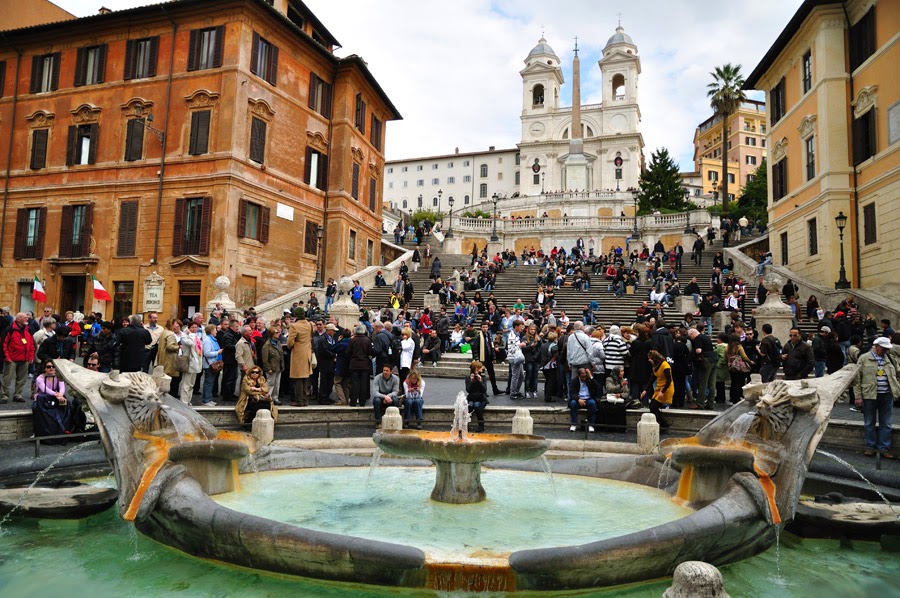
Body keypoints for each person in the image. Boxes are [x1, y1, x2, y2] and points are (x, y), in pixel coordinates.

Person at [853, 337, 897, 459]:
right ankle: (870, 447)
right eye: (884, 348)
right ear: (876, 346)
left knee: (886, 423)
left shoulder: (890, 358)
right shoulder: (864, 358)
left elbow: (897, 374)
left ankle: (884, 448)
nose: (886, 351)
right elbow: (857, 379)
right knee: (869, 422)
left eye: (887, 349)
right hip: (869, 395)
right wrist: (858, 397)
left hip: (886, 395)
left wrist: (896, 389)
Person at [31, 361, 85, 442]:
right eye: (48, 367)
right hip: (42, 400)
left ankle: (66, 428)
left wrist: (60, 395)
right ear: (45, 369)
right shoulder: (40, 378)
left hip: (56, 400)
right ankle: (36, 431)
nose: (51, 368)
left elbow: (62, 388)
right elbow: (45, 390)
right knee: (35, 408)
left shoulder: (58, 377)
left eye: (53, 366)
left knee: (67, 405)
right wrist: (58, 395)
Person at [1, 313, 36, 403]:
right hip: (11, 358)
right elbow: (3, 344)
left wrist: (31, 356)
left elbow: (32, 344)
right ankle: (4, 396)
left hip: (25, 359)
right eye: (25, 318)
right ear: (18, 319)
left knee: (22, 379)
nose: (27, 319)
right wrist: (6, 357)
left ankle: (17, 395)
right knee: (7, 378)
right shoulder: (10, 329)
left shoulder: (28, 330)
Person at [287, 307, 315, 406]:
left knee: (298, 378)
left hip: (298, 353)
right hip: (307, 352)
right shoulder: (309, 325)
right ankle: (305, 399)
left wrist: (291, 345)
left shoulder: (294, 326)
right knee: (305, 378)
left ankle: (299, 401)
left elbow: (290, 342)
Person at [641, 351, 672, 430]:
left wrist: (662, 392)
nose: (649, 360)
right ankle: (662, 424)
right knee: (653, 406)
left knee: (653, 405)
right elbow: (652, 378)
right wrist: (645, 390)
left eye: (650, 359)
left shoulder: (665, 365)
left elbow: (669, 380)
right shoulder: (655, 366)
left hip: (666, 388)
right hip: (659, 388)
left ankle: (661, 424)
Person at [347, 324, 374, 407]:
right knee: (363, 383)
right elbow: (371, 352)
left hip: (354, 364)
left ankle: (353, 401)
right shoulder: (367, 340)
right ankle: (362, 401)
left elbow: (348, 352)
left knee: (354, 384)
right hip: (365, 364)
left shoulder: (352, 340)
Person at [568, 367, 599, 433]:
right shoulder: (574, 381)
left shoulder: (589, 380)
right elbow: (572, 393)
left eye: (585, 376)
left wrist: (590, 376)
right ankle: (574, 423)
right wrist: (578, 399)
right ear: (579, 375)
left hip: (588, 398)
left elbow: (597, 387)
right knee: (573, 403)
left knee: (592, 403)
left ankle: (591, 424)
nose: (584, 378)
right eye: (582, 377)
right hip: (578, 399)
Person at [179, 322, 203, 405]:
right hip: (189, 362)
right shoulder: (185, 336)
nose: (194, 329)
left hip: (196, 362)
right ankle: (183, 401)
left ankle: (188, 400)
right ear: (188, 328)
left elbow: (199, 347)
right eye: (192, 327)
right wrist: (191, 335)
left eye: (196, 327)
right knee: (186, 383)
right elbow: (191, 344)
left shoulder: (195, 336)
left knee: (192, 384)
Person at [725, 334, 753, 405]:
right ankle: (736, 398)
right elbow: (744, 357)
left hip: (731, 367)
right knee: (738, 383)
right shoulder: (739, 347)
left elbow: (725, 357)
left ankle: (732, 398)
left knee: (733, 382)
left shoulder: (728, 347)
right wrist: (750, 362)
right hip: (738, 367)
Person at [201, 324, 222, 406]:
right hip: (210, 364)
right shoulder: (207, 340)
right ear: (211, 331)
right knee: (208, 382)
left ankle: (208, 399)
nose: (216, 331)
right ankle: (206, 400)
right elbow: (206, 353)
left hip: (214, 363)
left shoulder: (213, 340)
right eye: (215, 330)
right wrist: (218, 352)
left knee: (211, 382)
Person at [466, 361, 489, 432]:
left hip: (481, 399)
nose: (482, 368)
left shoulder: (483, 377)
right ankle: (465, 425)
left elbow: (484, 390)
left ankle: (481, 426)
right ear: (476, 368)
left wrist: (480, 381)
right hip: (472, 398)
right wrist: (472, 381)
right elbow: (468, 390)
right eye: (480, 367)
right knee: (469, 406)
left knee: (477, 405)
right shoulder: (468, 378)